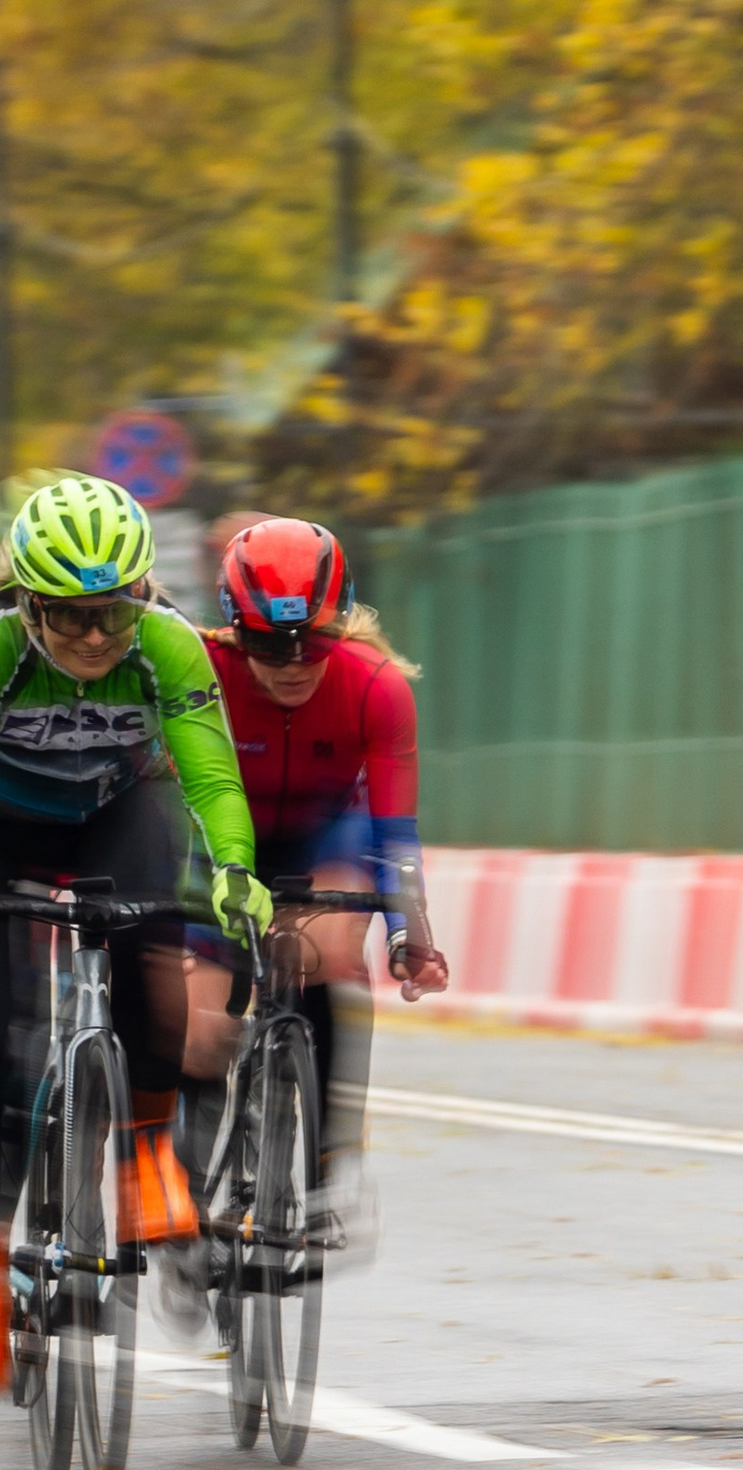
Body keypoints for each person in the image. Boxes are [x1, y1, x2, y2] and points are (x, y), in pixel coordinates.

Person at [0, 472, 269, 1399]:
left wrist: (234, 867)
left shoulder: (166, 647)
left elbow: (211, 779)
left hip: (113, 814)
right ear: (27, 603)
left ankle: (148, 1152)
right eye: (68, 618)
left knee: (158, 954)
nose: (96, 637)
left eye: (113, 612)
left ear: (141, 594)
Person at [177, 518, 450, 1279]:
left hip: (323, 833)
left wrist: (407, 933)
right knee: (199, 1021)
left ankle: (330, 1175)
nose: (292, 663)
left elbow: (395, 830)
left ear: (338, 619)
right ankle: (186, 1176)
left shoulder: (375, 685)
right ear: (234, 632)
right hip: (218, 835)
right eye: (267, 645)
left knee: (329, 951)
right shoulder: (200, 670)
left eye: (311, 641)